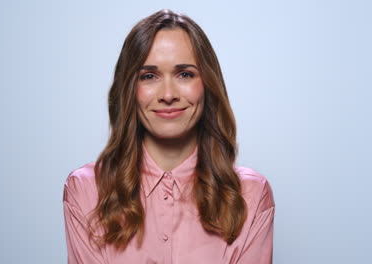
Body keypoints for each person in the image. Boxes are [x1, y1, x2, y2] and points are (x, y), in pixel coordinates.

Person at [63, 9, 275, 264]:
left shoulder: (251, 194)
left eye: (184, 74)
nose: (167, 94)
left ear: (207, 84)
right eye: (149, 76)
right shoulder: (86, 190)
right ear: (129, 89)